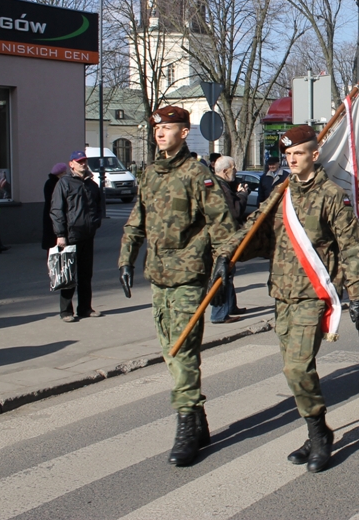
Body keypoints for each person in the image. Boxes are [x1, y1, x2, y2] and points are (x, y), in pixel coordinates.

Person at [221, 125, 359, 473]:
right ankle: (315, 429)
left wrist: (358, 294)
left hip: (312, 295)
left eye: (298, 153)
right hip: (282, 293)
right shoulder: (280, 193)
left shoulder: (332, 195)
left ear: (314, 155)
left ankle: (319, 435)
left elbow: (351, 245)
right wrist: (224, 256)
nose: (291, 159)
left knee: (297, 367)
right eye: (287, 155)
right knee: (295, 373)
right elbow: (253, 228)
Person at [118, 106, 235, 467]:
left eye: (167, 128)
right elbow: (136, 220)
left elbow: (221, 222)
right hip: (158, 275)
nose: (160, 133)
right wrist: (126, 259)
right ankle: (197, 417)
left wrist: (222, 260)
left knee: (182, 348)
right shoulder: (150, 173)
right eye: (157, 128)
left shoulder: (197, 174)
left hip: (188, 274)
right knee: (169, 347)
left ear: (184, 132)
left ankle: (186, 422)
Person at [50, 151, 104, 322]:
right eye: (79, 161)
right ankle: (66, 311)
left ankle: (85, 308)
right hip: (70, 236)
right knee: (68, 274)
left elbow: (98, 206)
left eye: (84, 161)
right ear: (71, 164)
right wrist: (60, 234)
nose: (83, 164)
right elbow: (57, 210)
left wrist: (95, 223)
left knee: (86, 274)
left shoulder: (92, 185)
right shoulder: (64, 183)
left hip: (88, 235)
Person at [209, 156, 249, 324]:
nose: (236, 171)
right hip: (221, 239)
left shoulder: (218, 185)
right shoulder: (221, 188)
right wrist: (242, 194)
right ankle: (219, 314)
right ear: (225, 171)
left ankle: (231, 307)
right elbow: (236, 212)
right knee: (223, 275)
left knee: (229, 274)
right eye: (234, 168)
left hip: (221, 238)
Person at [42, 162, 68, 250]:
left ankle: (51, 247)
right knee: (53, 230)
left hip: (49, 210)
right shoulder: (57, 183)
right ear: (60, 173)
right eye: (64, 172)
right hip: (55, 210)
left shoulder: (49, 182)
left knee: (50, 231)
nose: (66, 174)